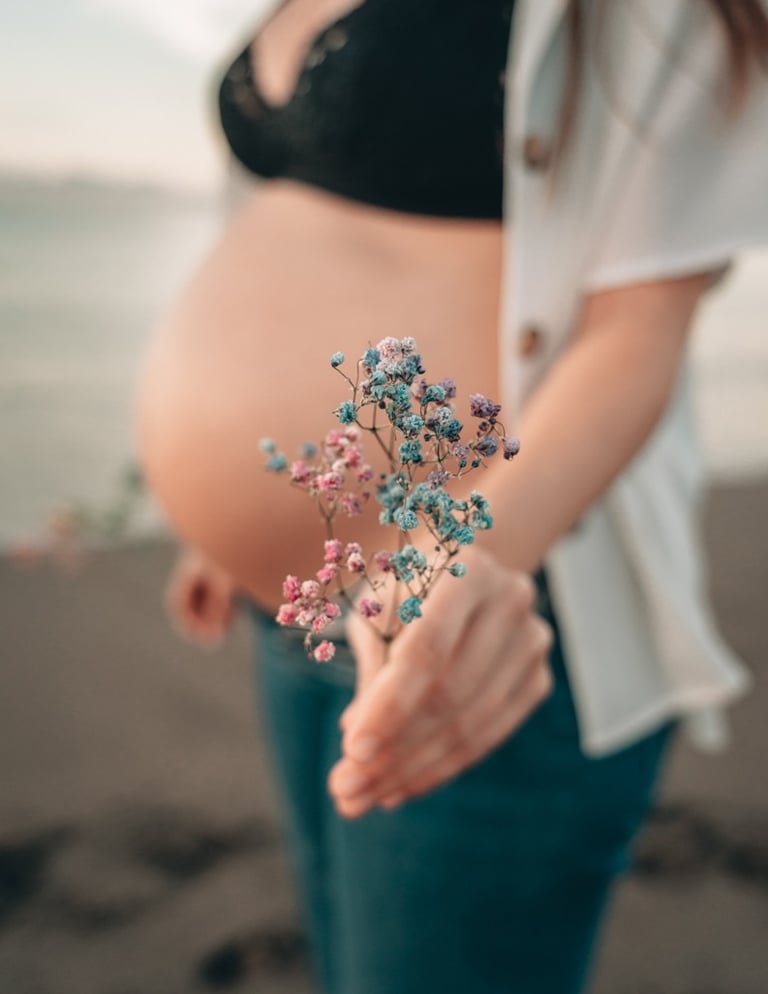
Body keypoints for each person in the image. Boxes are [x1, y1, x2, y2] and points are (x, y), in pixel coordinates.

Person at [137, 2, 768, 992]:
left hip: (486, 615)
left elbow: (638, 329)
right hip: (296, 611)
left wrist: (468, 550)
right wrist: (229, 513)